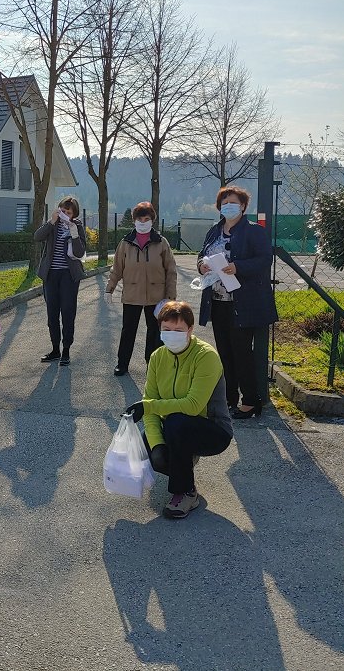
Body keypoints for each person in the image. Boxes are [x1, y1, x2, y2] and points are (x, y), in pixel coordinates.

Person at [125, 301, 233, 520]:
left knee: (176, 421)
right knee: (146, 449)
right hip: (176, 427)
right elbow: (151, 402)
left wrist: (149, 406)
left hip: (213, 429)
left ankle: (185, 492)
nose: (172, 335)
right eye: (167, 330)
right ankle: (182, 458)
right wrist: (157, 446)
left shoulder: (206, 356)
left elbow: (192, 405)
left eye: (178, 330)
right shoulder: (157, 357)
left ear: (190, 330)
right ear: (160, 329)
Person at [196, 185, 278, 418]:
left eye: (233, 202)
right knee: (224, 353)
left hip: (243, 303)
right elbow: (202, 254)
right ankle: (229, 398)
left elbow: (264, 259)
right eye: (224, 203)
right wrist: (202, 265)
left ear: (243, 206)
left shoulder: (253, 231)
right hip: (218, 300)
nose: (228, 206)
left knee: (241, 353)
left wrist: (237, 267)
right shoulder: (214, 230)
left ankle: (251, 401)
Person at [105, 202, 177, 377]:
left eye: (147, 219)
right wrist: (109, 289)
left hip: (156, 297)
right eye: (140, 219)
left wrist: (170, 297)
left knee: (154, 332)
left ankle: (152, 365)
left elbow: (171, 271)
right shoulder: (125, 243)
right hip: (131, 294)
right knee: (128, 330)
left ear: (152, 220)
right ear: (134, 221)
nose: (143, 222)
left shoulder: (161, 243)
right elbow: (117, 268)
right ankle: (122, 364)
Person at [33, 196, 87, 367]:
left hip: (69, 277)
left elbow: (79, 252)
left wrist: (74, 232)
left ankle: (66, 350)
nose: (64, 214)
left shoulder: (77, 226)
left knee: (68, 312)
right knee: (52, 313)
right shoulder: (53, 224)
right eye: (62, 211)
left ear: (74, 214)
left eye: (68, 212)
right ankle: (55, 349)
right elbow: (37, 236)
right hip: (51, 275)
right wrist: (51, 222)